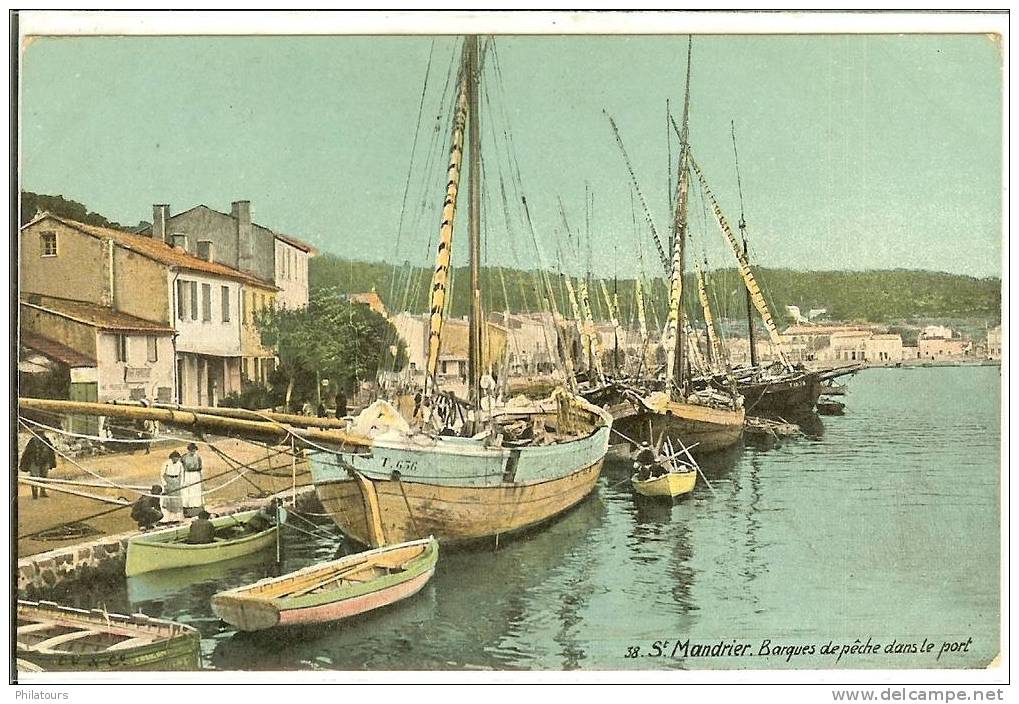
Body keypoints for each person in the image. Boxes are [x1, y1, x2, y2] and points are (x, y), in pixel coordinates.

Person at [20, 431, 57, 499]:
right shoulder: (32, 441)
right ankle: (35, 493)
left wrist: (51, 462)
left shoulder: (46, 440)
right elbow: (27, 453)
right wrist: (26, 463)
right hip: (34, 462)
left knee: (44, 477)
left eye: (41, 433)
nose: (41, 435)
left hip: (45, 461)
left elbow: (51, 451)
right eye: (39, 433)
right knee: (34, 477)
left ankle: (42, 491)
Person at [180, 442, 205, 518]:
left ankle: (197, 507)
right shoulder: (184, 457)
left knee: (196, 490)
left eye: (194, 450)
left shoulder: (198, 457)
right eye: (191, 450)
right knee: (187, 490)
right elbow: (182, 467)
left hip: (196, 474)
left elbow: (200, 468)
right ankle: (187, 507)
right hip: (187, 474)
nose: (192, 451)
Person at [161, 450, 184, 520]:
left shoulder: (180, 464)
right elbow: (162, 475)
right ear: (172, 458)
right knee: (168, 500)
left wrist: (181, 483)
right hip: (169, 480)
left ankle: (177, 517)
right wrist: (165, 484)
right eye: (175, 458)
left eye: (177, 458)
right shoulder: (166, 463)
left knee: (177, 500)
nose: (176, 459)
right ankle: (168, 517)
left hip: (176, 480)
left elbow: (182, 474)